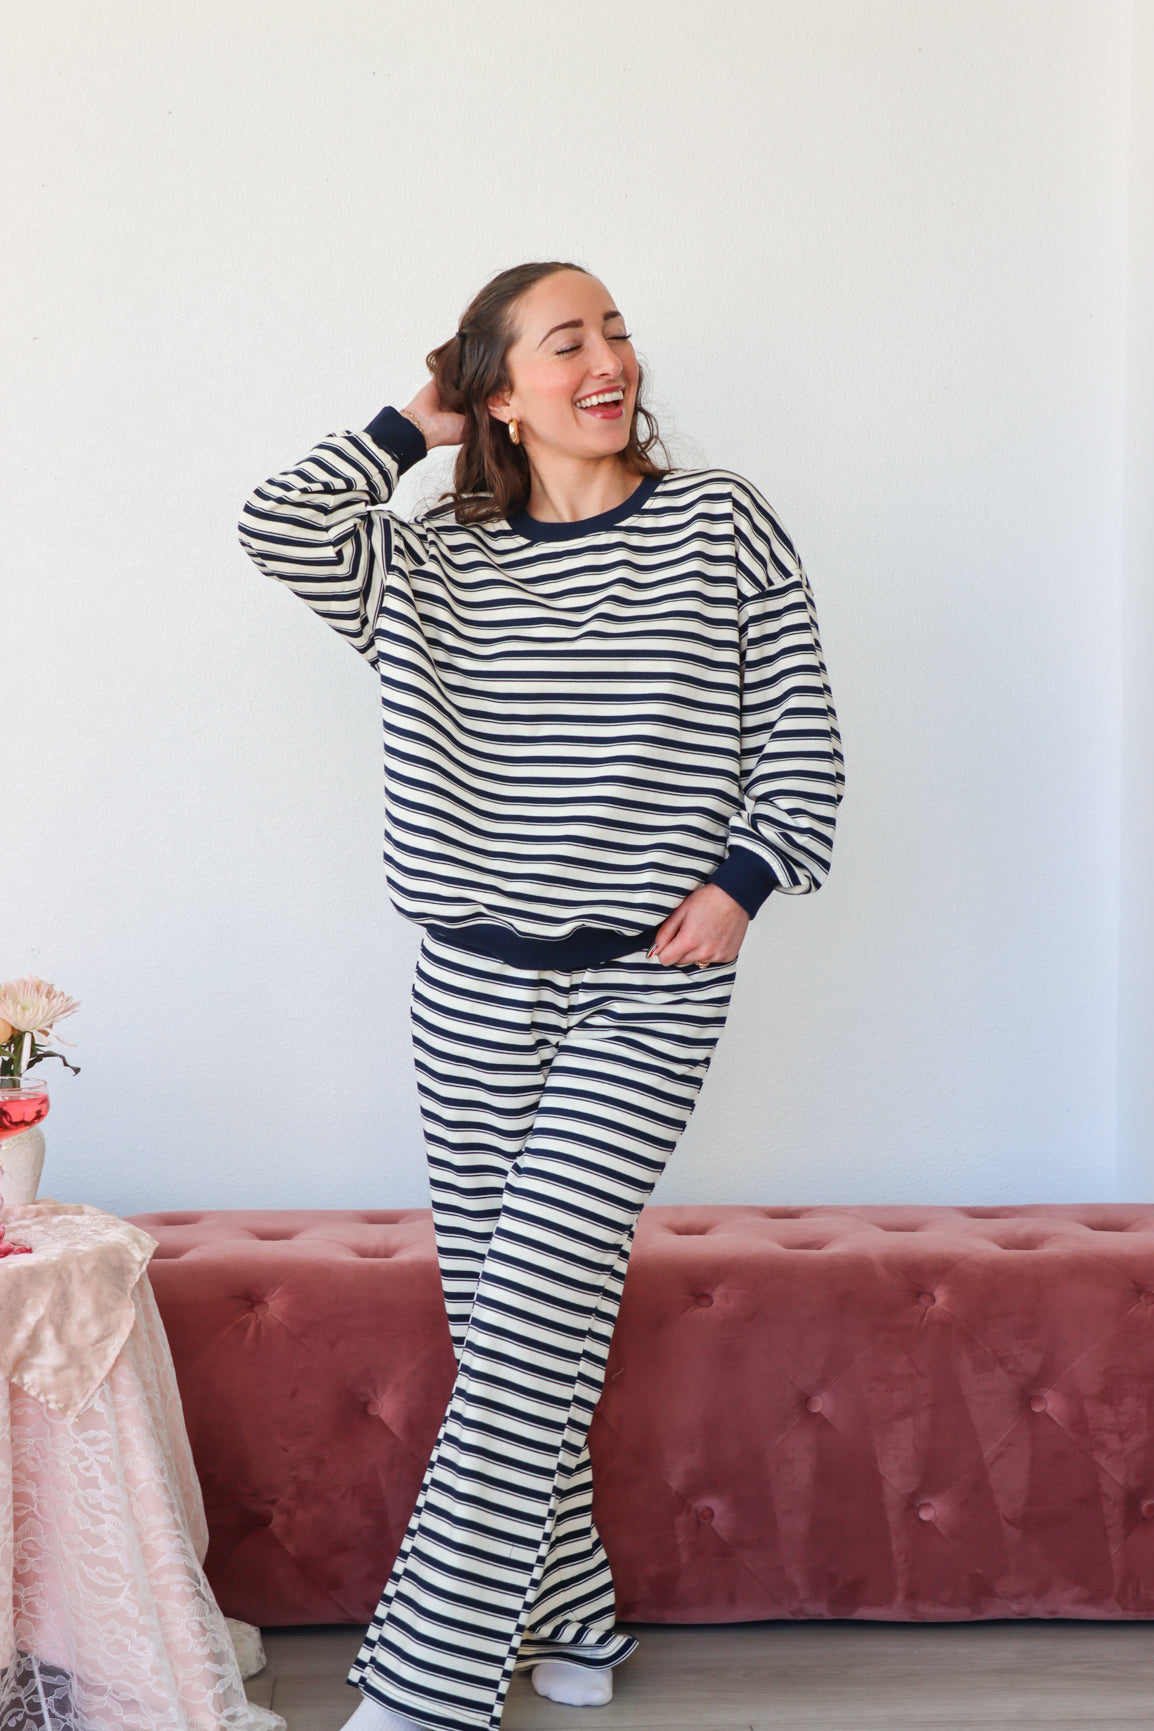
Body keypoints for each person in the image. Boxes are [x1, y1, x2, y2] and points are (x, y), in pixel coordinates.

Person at [237, 260, 843, 1731]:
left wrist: (744, 882)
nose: (608, 358)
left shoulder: (719, 519)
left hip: (644, 988)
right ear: (496, 391)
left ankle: (423, 1691)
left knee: (524, 1323)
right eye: (564, 341)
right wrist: (410, 420)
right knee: (514, 1318)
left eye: (617, 329)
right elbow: (277, 524)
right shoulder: (432, 560)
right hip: (468, 991)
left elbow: (803, 738)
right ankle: (578, 1613)